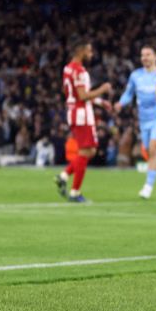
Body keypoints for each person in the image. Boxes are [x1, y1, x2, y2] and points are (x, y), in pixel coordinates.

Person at [57, 39, 112, 202]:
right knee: (85, 152)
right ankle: (75, 192)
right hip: (82, 115)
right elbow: (83, 95)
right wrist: (102, 90)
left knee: (90, 151)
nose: (91, 54)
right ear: (80, 51)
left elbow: (73, 93)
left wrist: (101, 103)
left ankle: (64, 175)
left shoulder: (68, 68)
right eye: (89, 51)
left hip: (74, 113)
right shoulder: (80, 71)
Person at [116, 45, 156, 200]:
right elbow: (128, 94)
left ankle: (148, 186)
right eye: (143, 55)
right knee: (148, 151)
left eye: (148, 54)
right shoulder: (135, 76)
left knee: (153, 148)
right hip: (144, 121)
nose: (145, 58)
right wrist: (120, 103)